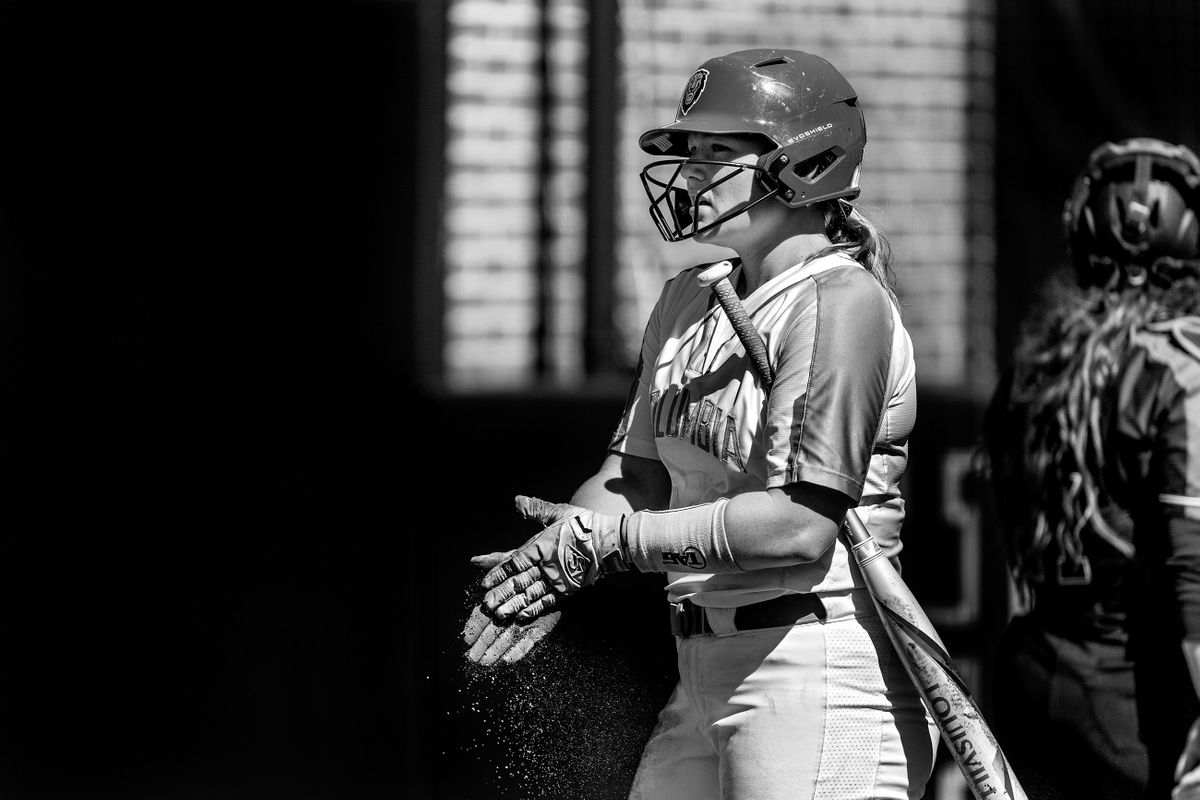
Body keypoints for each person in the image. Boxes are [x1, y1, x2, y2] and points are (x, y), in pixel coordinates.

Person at [463, 48, 938, 800]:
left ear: (804, 163)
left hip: (816, 667)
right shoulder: (689, 299)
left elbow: (796, 526)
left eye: (719, 151)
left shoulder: (841, 302)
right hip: (702, 666)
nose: (691, 171)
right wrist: (555, 558)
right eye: (691, 150)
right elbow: (634, 477)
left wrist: (611, 546)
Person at [983, 136, 1200, 800]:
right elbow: (1192, 571)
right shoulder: (1181, 365)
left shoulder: (1036, 366)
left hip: (1029, 678)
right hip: (1138, 699)